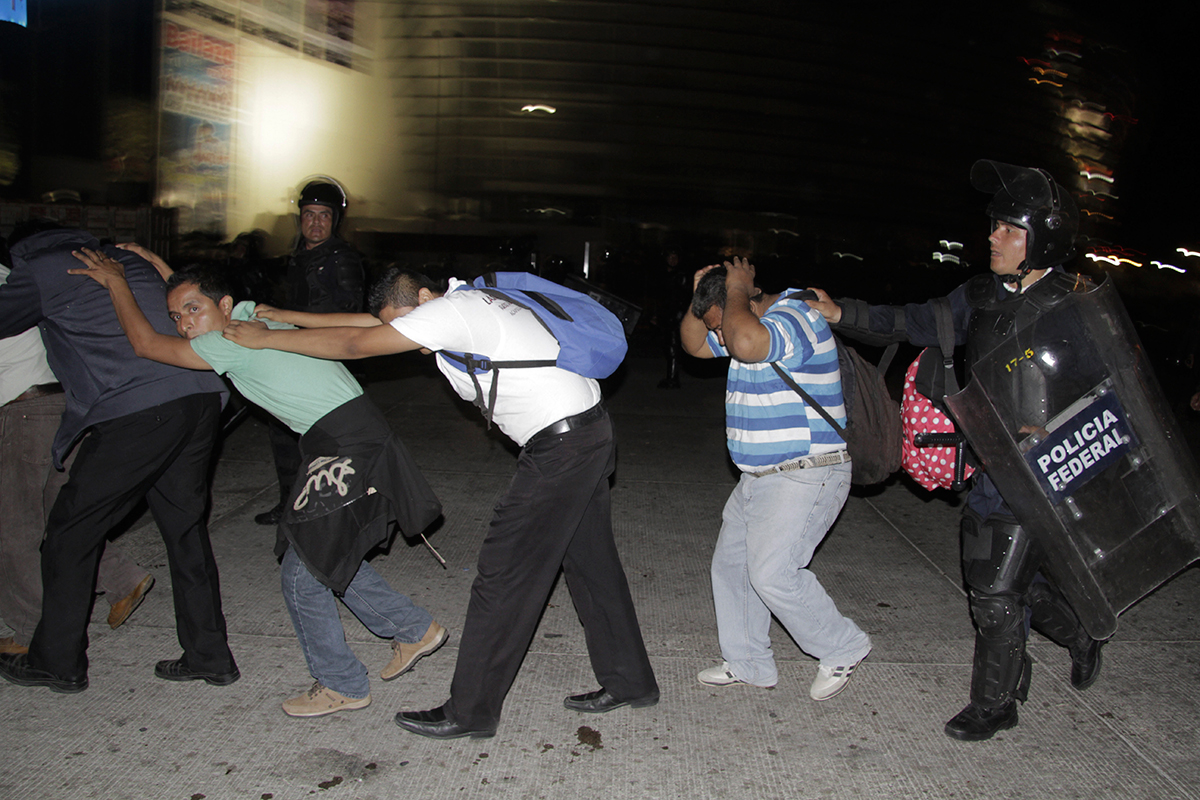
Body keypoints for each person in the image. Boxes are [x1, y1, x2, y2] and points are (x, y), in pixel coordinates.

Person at [223, 267, 659, 740]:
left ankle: (470, 712)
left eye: (404, 323)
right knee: (592, 564)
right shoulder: (464, 301)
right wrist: (284, 315)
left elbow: (355, 343)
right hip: (586, 432)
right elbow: (369, 325)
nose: (408, 339)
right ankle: (631, 682)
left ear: (425, 297)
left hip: (563, 449)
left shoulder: (451, 312)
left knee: (503, 574)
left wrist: (267, 339)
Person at [68, 246, 445, 718]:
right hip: (352, 436)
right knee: (318, 553)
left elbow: (146, 344)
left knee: (301, 574)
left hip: (346, 446)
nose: (185, 325)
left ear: (223, 306)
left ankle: (342, 683)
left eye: (192, 311)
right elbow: (204, 297)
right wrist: (168, 273)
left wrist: (117, 282)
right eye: (176, 316)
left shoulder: (225, 341)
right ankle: (412, 629)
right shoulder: (248, 315)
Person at [807, 160, 1104, 741]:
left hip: (1052, 469)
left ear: (1043, 239)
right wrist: (841, 312)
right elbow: (913, 322)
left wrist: (1059, 430)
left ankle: (995, 705)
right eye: (994, 225)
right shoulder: (981, 295)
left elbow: (1104, 391)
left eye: (1009, 229)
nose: (993, 237)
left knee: (994, 593)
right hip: (994, 464)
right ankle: (1078, 631)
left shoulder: (1078, 304)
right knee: (1003, 580)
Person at [0, 224, 236, 694]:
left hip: (140, 410)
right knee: (185, 532)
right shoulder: (127, 260)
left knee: (69, 532)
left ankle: (57, 661)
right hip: (199, 398)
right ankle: (209, 655)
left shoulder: (42, 269)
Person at [679, 258, 872, 702]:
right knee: (732, 568)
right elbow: (693, 344)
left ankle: (842, 646)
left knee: (773, 574)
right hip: (759, 478)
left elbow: (745, 342)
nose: (720, 338)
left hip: (805, 473)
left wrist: (736, 289)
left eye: (721, 326)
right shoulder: (739, 325)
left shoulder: (795, 315)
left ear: (746, 299)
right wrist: (698, 299)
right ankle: (749, 662)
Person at [0, 263, 155, 655]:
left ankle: (30, 628)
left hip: (22, 408)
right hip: (61, 403)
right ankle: (122, 578)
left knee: (14, 527)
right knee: (61, 516)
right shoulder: (15, 277)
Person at [256, 179, 366, 526]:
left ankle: (322, 509)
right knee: (282, 430)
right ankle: (290, 503)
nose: (316, 222)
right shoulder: (298, 256)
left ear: (335, 219)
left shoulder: (342, 259)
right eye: (309, 214)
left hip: (322, 355)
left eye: (324, 215)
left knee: (322, 439)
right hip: (292, 351)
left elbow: (349, 315)